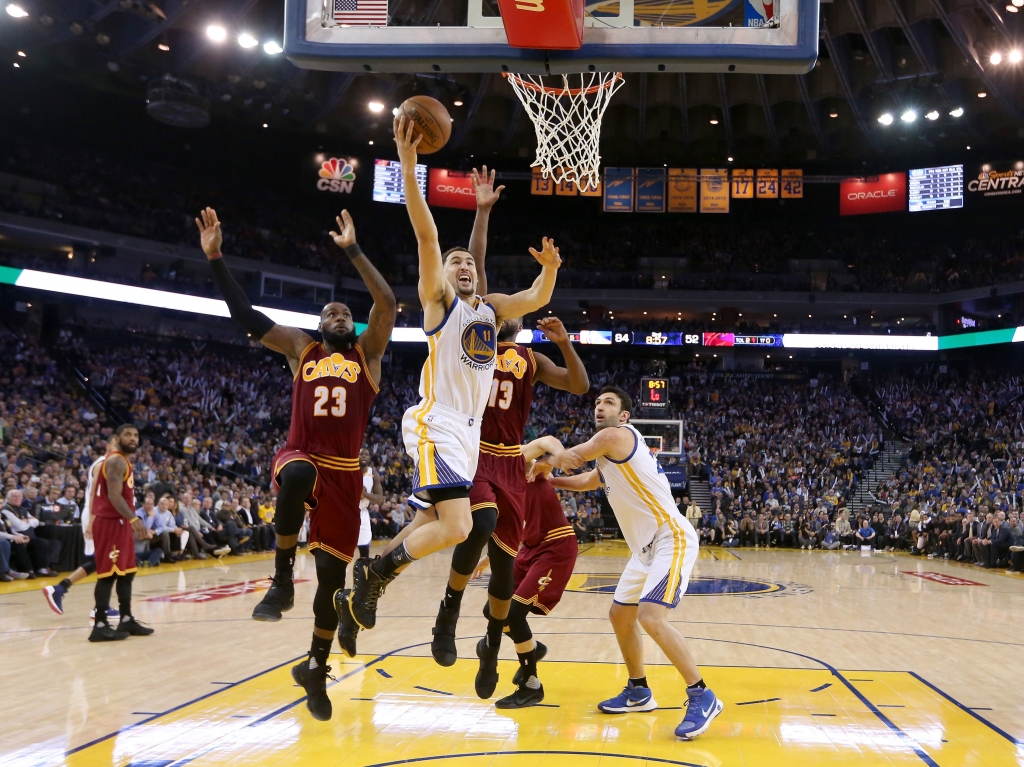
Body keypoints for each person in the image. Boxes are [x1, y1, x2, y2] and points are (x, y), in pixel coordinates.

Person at [343, 116, 561, 637]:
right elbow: (427, 232)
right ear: (441, 273)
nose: (463, 265)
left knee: (444, 527)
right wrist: (411, 166)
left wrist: (550, 268)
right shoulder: (439, 304)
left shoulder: (491, 308)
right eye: (454, 261)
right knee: (462, 526)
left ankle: (370, 577)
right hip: (436, 421)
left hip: (468, 433)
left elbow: (537, 298)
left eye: (468, 261)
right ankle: (373, 574)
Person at [197, 204, 395, 722]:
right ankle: (281, 577)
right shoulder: (300, 349)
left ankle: (315, 664)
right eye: (330, 312)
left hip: (346, 474)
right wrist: (216, 257)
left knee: (331, 582)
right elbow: (247, 318)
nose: (338, 315)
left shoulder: (368, 355)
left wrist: (352, 250)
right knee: (299, 472)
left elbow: (387, 301)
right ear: (318, 324)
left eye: (344, 313)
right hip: (301, 455)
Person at [534, 386, 723, 741]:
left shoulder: (614, 436)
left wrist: (544, 457)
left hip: (672, 537)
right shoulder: (610, 457)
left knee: (651, 616)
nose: (599, 407)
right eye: (596, 403)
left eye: (608, 402)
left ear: (624, 416)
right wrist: (552, 480)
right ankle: (639, 691)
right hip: (645, 550)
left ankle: (702, 695)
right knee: (620, 615)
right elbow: (586, 479)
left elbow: (573, 458)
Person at [471, 437, 578, 708]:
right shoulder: (494, 483)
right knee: (492, 611)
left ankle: (531, 685)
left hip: (556, 545)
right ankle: (532, 648)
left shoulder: (520, 462)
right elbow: (516, 527)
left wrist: (556, 456)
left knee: (514, 612)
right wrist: (488, 558)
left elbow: (548, 443)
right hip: (528, 548)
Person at [88, 424, 155, 642]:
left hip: (120, 522)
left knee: (128, 572)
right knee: (108, 574)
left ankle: (126, 618)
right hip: (110, 522)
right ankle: (99, 624)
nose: (133, 438)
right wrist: (135, 519)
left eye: (136, 435)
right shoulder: (116, 460)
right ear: (117, 438)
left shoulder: (123, 461)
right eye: (128, 434)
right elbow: (114, 496)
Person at [357, 449, 384, 559]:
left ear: (369, 458)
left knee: (364, 548)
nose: (364, 456)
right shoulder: (350, 471)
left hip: (362, 511)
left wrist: (365, 494)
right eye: (361, 454)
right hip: (347, 511)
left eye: (366, 454)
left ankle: (364, 571)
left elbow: (380, 499)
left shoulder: (373, 474)